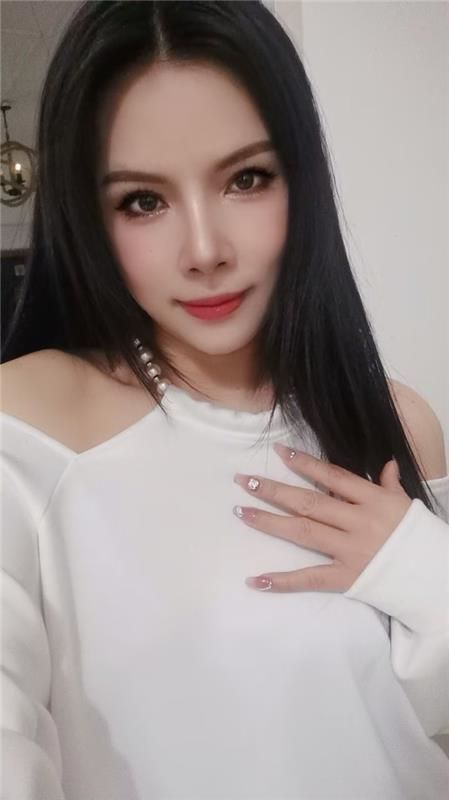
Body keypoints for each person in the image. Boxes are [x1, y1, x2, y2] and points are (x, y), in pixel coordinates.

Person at [1, 2, 448, 798]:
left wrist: (421, 566)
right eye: (143, 201)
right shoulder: (32, 422)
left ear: (301, 180)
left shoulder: (395, 422)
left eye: (246, 179)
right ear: (89, 218)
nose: (204, 251)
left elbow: (428, 724)